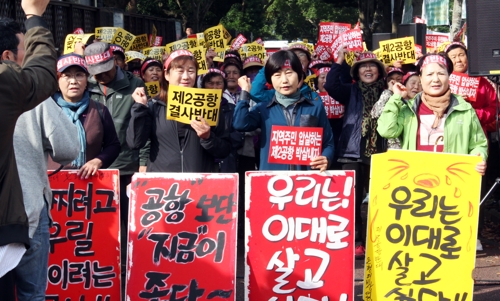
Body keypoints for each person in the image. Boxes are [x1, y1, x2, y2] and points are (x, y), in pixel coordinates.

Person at [0, 0, 58, 278]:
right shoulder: (8, 82)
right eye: (26, 50)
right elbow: (43, 75)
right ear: (8, 56)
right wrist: (34, 16)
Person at [84, 41, 145, 284]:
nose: (102, 75)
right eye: (96, 72)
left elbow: (142, 125)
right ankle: (103, 262)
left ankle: (128, 266)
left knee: (126, 220)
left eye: (106, 69)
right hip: (92, 167)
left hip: (126, 164)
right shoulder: (86, 85)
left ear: (114, 62)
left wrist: (142, 162)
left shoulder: (134, 84)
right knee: (98, 221)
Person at [324, 47, 387, 258]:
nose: (368, 70)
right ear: (356, 71)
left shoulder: (388, 90)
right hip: (352, 153)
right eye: (363, 67)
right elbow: (330, 84)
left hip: (381, 153)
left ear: (379, 70)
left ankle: (379, 239)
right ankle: (357, 241)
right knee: (353, 200)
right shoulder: (351, 91)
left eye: (372, 66)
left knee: (381, 200)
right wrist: (339, 60)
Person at [377, 52, 487, 172]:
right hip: (415, 177)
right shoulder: (409, 109)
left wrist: (479, 157)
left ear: (449, 76)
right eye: (429, 74)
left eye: (441, 73)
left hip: (452, 180)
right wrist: (396, 98)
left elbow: (478, 144)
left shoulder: (464, 109)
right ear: (421, 78)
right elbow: (386, 130)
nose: (436, 79)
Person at [127, 49, 230, 172]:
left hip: (199, 183)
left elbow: (225, 150)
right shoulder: (154, 106)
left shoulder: (210, 105)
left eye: (191, 71)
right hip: (163, 185)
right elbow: (135, 143)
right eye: (180, 70)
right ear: (167, 75)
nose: (186, 77)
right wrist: (139, 108)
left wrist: (208, 137)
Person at [233, 50, 335, 172]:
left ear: (300, 76)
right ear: (270, 79)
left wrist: (326, 158)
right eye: (277, 75)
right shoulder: (263, 108)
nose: (284, 80)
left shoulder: (315, 106)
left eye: (289, 73)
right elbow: (240, 123)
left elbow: (328, 143)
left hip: (306, 183)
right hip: (272, 182)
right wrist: (244, 93)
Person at [48, 53, 120, 176]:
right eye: (66, 76)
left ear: (87, 80)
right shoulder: (46, 110)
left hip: (89, 183)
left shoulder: (99, 110)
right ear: (57, 80)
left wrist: (99, 160)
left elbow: (113, 145)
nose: (73, 81)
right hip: (52, 184)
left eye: (79, 75)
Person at [445, 42, 497, 134]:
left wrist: (475, 113)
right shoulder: (443, 81)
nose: (458, 60)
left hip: (477, 134)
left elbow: (494, 108)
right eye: (453, 57)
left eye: (461, 55)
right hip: (449, 132)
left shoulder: (482, 82)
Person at [371, 67, 405, 150]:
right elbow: (375, 113)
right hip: (391, 147)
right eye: (390, 79)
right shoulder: (385, 95)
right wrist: (389, 90)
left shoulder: (410, 98)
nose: (395, 82)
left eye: (398, 79)